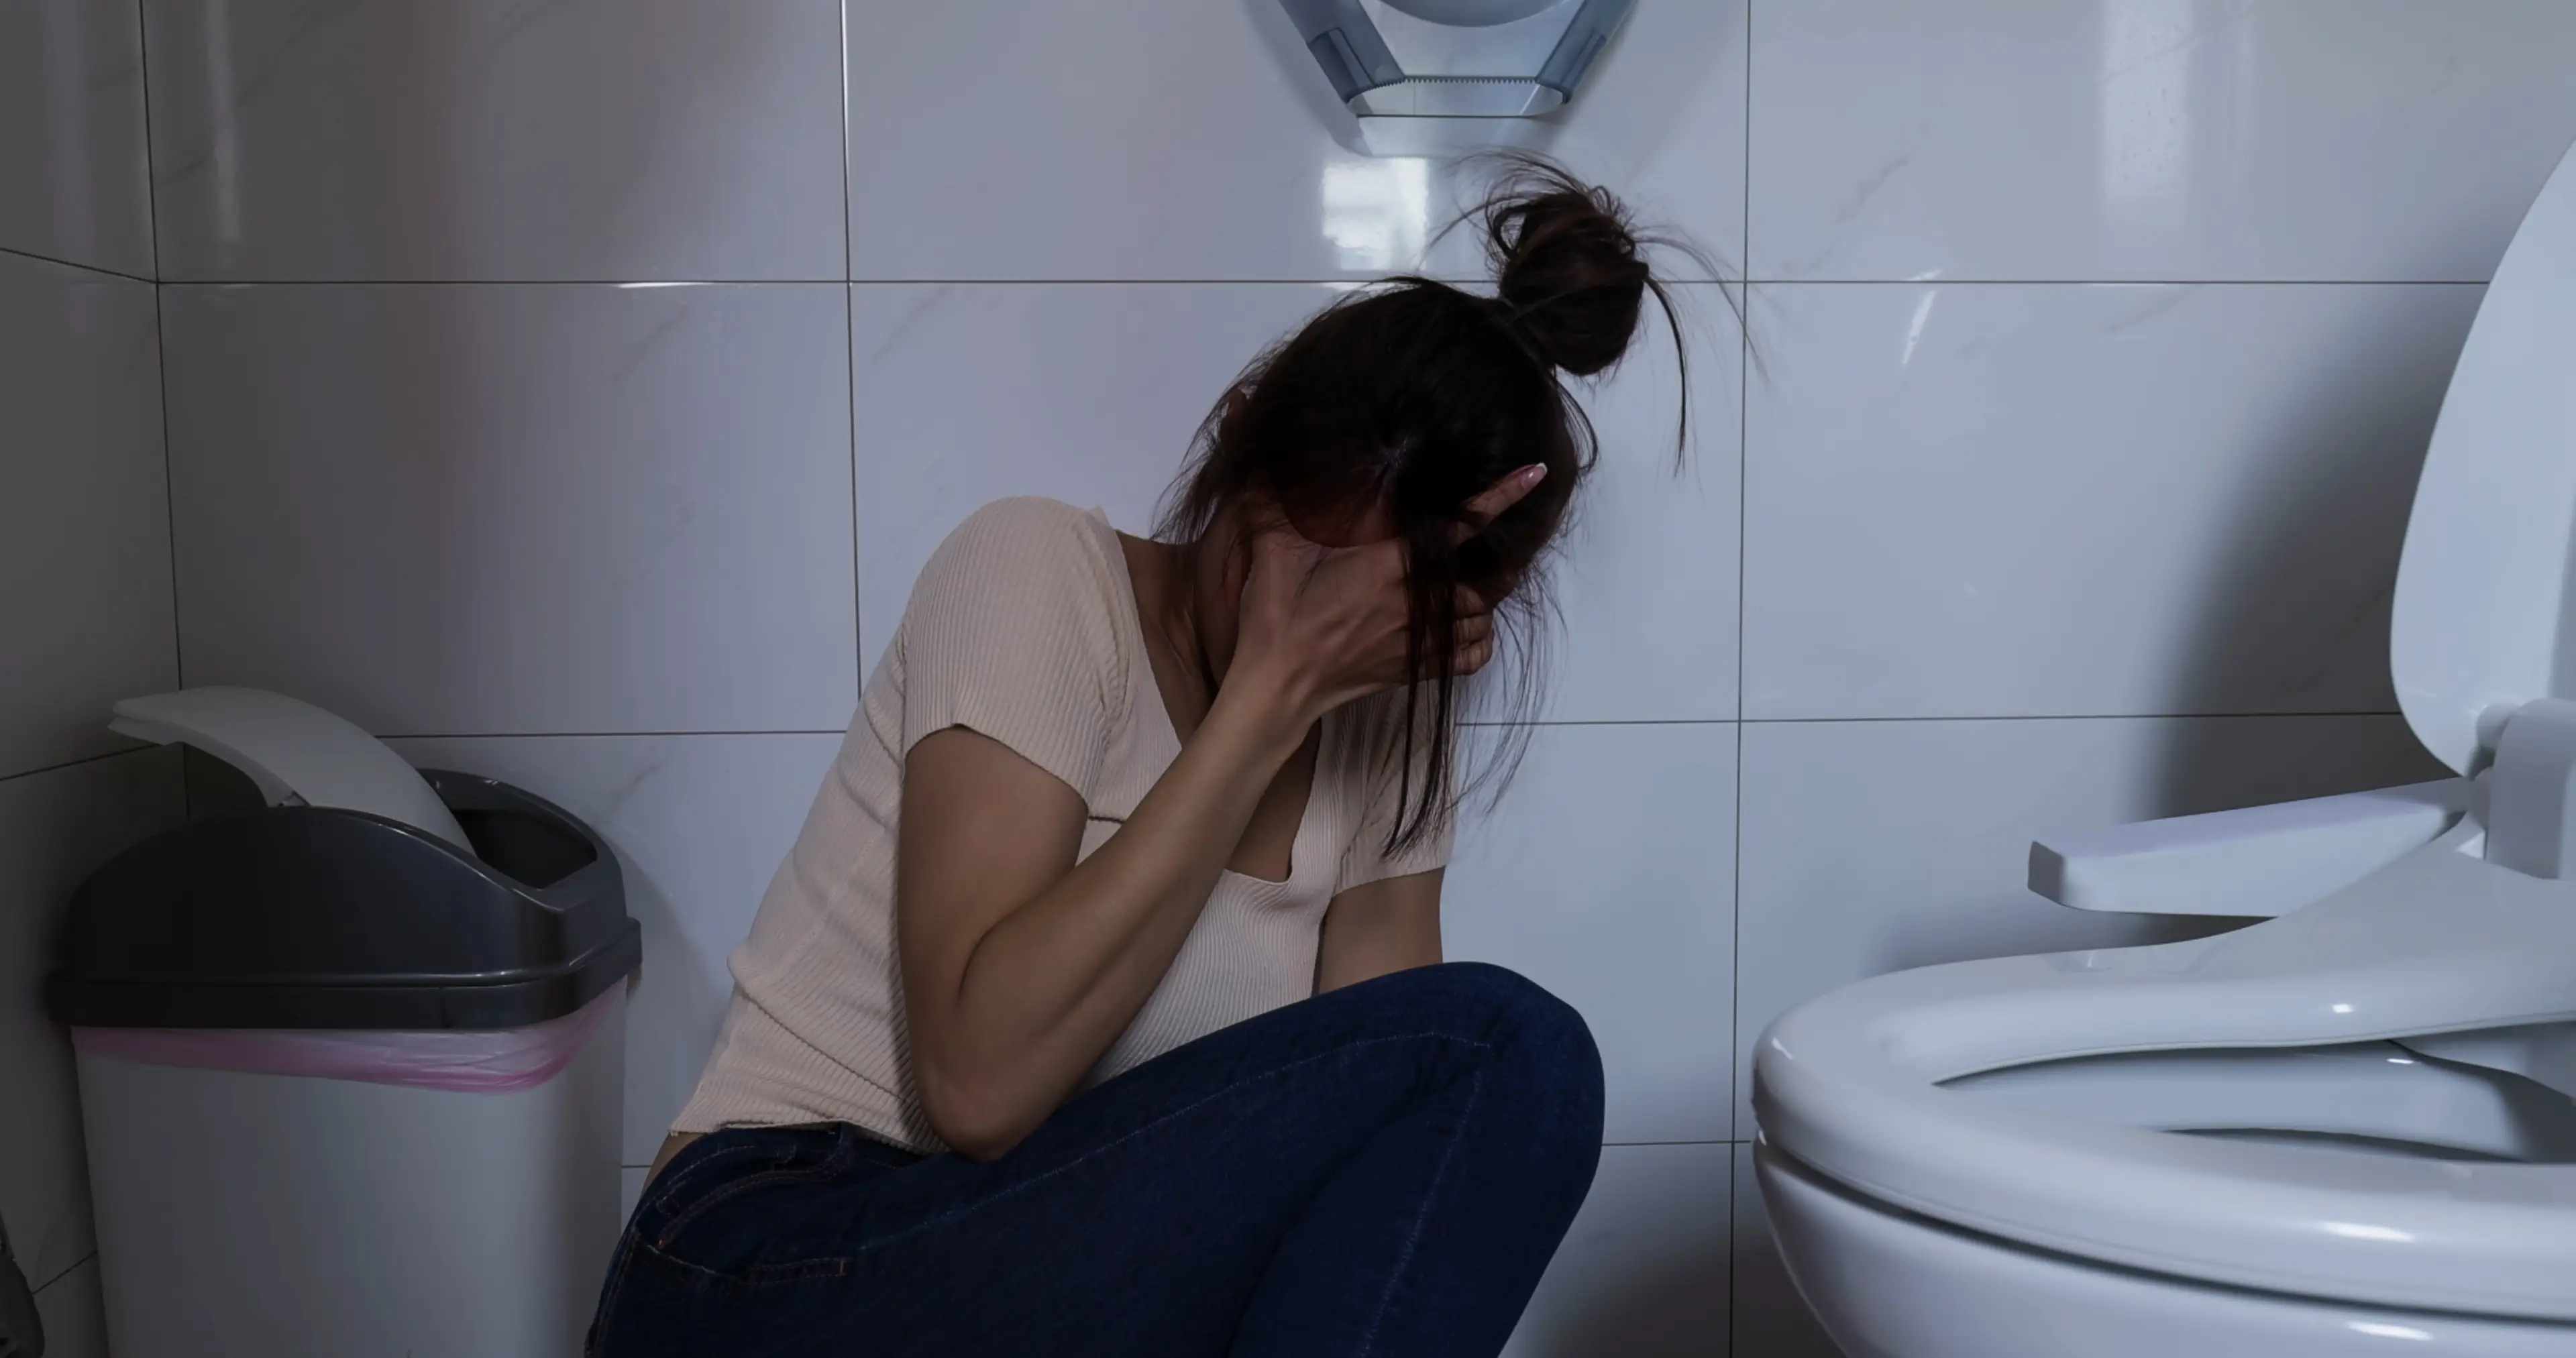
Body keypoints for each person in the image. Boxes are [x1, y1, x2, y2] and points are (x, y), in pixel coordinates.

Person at [588, 158, 1691, 1357]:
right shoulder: (1039, 573)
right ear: (1238, 442)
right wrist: (1269, 702)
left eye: (1371, 616)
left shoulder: (1384, 714)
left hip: (1036, 1275)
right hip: (770, 1255)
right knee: (1505, 1044)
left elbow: (1364, 1148)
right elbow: (980, 1088)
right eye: (1300, 577)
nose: (1315, 636)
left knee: (1500, 1079)